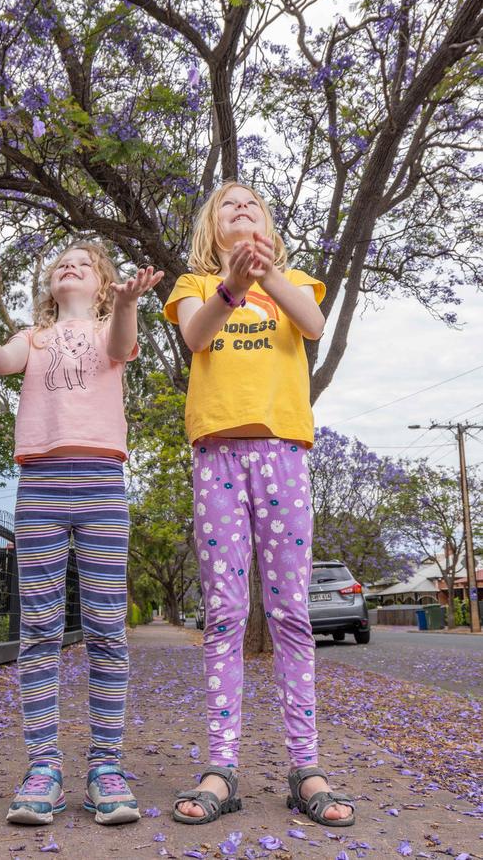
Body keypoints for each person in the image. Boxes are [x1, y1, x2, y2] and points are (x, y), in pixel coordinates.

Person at [0, 240, 163, 827]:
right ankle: (44, 768)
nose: (68, 266)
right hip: (41, 483)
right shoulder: (34, 338)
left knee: (106, 625)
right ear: (49, 287)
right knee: (39, 627)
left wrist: (128, 302)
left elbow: (123, 345)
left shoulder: (111, 324)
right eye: (59, 265)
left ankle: (106, 767)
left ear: (102, 284)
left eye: (81, 263)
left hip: (102, 480)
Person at [163, 182, 356, 827]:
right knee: (224, 615)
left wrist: (267, 274)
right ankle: (221, 767)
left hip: (282, 457)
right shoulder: (194, 286)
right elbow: (196, 336)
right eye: (226, 205)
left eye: (250, 204)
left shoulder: (292, 281)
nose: (240, 209)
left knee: (291, 615)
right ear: (210, 230)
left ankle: (308, 767)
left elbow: (314, 324)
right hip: (217, 458)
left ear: (267, 224)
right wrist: (231, 286)